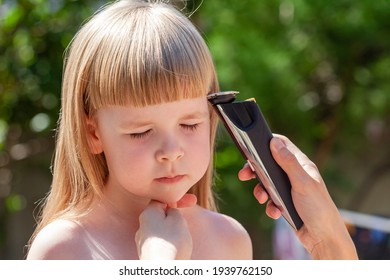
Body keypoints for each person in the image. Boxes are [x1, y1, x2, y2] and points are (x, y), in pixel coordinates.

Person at [27, 0, 357, 260]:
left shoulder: (229, 240)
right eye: (141, 131)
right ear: (94, 133)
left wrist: (329, 237)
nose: (172, 150)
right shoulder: (62, 251)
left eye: (190, 124)